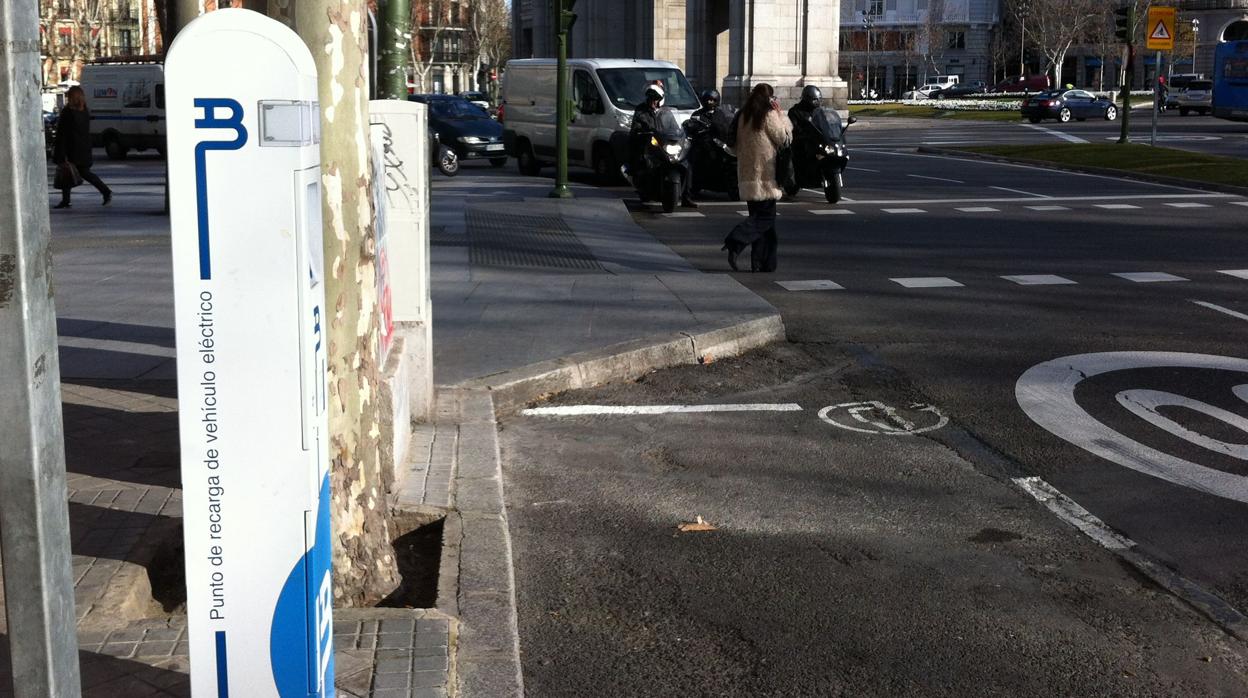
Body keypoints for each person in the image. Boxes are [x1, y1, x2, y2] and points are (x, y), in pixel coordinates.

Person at [721, 83, 791, 273]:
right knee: (766, 219)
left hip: (748, 176)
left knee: (762, 223)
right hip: (766, 176)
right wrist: (780, 115)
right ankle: (735, 241)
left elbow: (733, 146)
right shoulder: (768, 114)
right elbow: (784, 138)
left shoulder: (743, 115)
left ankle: (762, 263)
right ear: (769, 98)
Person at [628, 83, 696, 208]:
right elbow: (636, 126)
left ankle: (686, 197)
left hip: (665, 143)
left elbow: (675, 127)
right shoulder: (641, 111)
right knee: (643, 160)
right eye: (651, 99)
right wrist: (640, 131)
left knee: (686, 164)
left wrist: (681, 133)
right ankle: (643, 186)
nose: (653, 102)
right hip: (650, 143)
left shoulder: (667, 112)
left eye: (655, 99)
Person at [53, 85, 111, 209]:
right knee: (79, 173)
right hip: (83, 148)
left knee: (68, 172)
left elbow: (63, 133)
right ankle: (104, 191)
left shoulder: (68, 112)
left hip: (70, 149)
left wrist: (61, 152)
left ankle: (105, 191)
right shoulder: (84, 111)